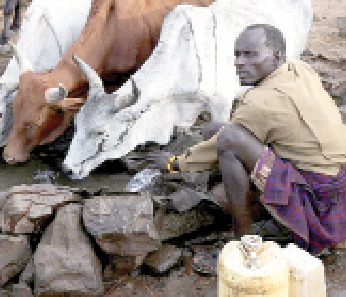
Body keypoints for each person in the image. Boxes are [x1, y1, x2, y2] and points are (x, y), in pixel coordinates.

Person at [148, 24, 346, 259]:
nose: (239, 62)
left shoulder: (258, 102)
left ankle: (242, 238)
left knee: (229, 139)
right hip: (337, 176)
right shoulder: (299, 69)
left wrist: (174, 163)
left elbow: (222, 143)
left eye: (250, 54)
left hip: (317, 197)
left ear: (276, 55)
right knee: (217, 128)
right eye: (237, 54)